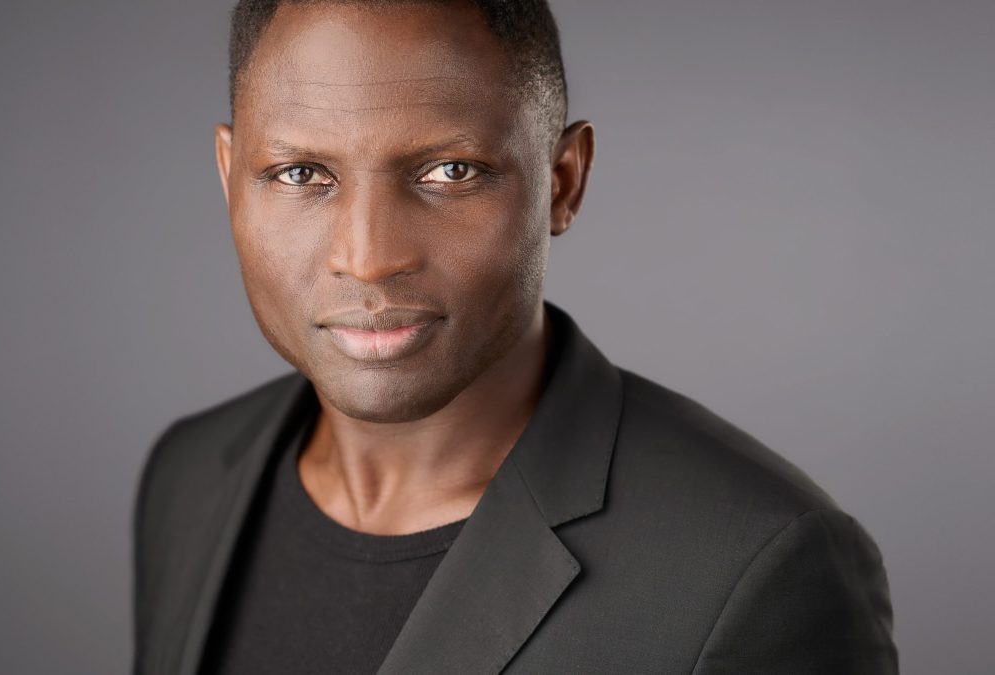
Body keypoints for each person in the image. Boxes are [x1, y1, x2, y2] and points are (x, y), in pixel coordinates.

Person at [132, 1, 899, 673]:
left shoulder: (756, 566)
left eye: (450, 171)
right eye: (301, 174)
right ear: (229, 177)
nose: (367, 257)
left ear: (563, 180)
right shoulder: (191, 474)